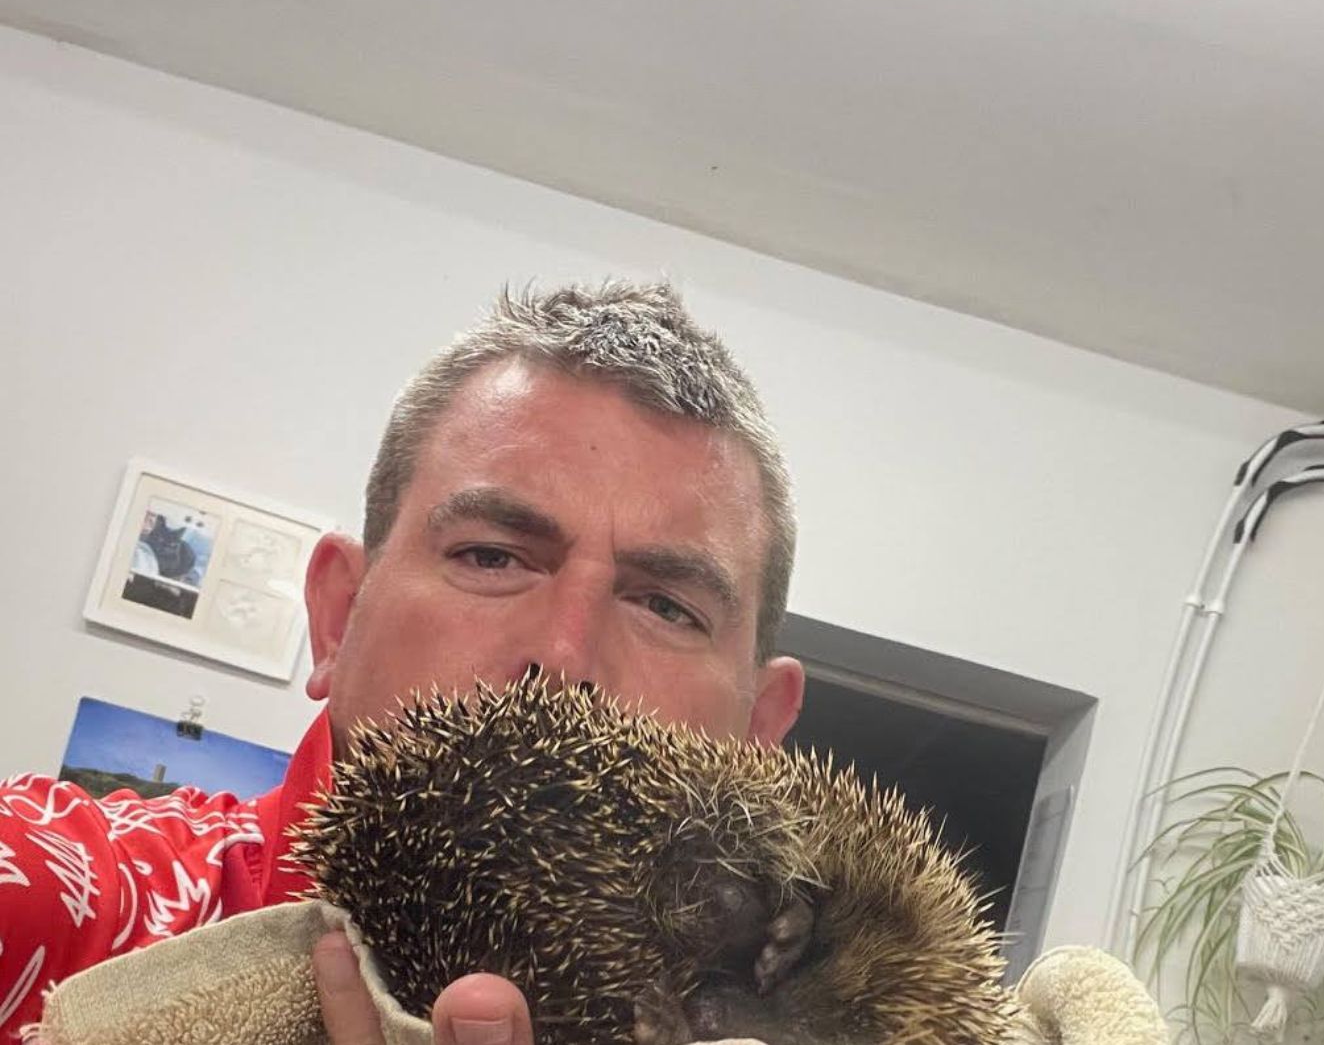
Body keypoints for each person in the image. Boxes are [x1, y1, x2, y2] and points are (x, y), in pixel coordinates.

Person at [0, 280, 806, 1044]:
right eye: (491, 557)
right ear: (338, 617)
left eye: (666, 607)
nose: (563, 658)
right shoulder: (56, 893)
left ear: (760, 732)